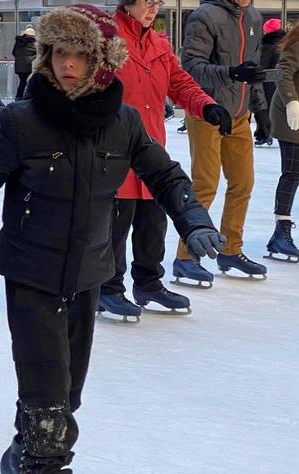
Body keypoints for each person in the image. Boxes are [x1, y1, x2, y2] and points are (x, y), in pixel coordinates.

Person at [0, 4, 224, 474]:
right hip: (31, 274)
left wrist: (193, 217)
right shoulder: (21, 122)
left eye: (79, 56)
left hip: (89, 272)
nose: (66, 67)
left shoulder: (125, 122)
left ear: (101, 63)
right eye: (59, 54)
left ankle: (23, 457)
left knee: (69, 394)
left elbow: (162, 173)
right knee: (47, 393)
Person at [98, 0, 231, 317]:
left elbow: (180, 82)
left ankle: (149, 284)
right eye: (147, 2)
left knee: (152, 224)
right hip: (112, 149)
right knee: (114, 227)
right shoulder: (106, 38)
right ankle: (107, 288)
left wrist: (206, 106)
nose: (153, 8)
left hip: (152, 150)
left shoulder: (158, 43)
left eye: (158, 2)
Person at [174, 0, 270, 285]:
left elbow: (252, 72)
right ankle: (185, 257)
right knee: (205, 184)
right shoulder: (205, 16)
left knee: (244, 183)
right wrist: (230, 72)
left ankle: (231, 249)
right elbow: (191, 66)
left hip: (240, 115)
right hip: (207, 112)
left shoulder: (253, 17)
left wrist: (261, 111)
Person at [266, 21, 299, 261]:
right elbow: (282, 72)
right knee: (293, 172)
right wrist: (291, 102)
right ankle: (281, 231)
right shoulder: (297, 43)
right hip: (291, 116)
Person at [255, 18, 286, 147]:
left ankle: (265, 134)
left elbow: (263, 64)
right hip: (283, 81)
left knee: (264, 108)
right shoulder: (286, 43)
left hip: (268, 82)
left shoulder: (268, 44)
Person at [12, 25, 37, 100]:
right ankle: (28, 97)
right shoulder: (32, 43)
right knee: (29, 82)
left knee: (22, 82)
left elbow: (14, 53)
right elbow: (37, 53)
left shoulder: (18, 42)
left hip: (19, 67)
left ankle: (18, 97)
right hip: (29, 66)